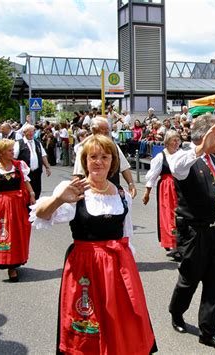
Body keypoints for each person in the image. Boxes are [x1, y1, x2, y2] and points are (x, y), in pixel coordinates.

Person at [31, 135, 156, 354]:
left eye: (104, 157)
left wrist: (129, 268)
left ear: (112, 162)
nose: (98, 162)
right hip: (84, 267)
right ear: (85, 161)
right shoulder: (74, 191)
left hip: (118, 265)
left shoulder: (122, 194)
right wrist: (60, 199)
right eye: (93, 157)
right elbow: (40, 215)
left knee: (122, 318)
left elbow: (127, 234)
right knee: (87, 321)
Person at [167, 114, 215, 352]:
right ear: (203, 137)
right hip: (195, 233)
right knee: (189, 280)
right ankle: (176, 311)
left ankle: (208, 332)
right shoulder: (186, 158)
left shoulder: (213, 159)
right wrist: (199, 149)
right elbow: (176, 167)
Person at [0, 139, 35, 282]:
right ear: (0, 153)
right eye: (10, 150)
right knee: (4, 232)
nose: (13, 152)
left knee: (19, 233)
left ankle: (15, 262)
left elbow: (25, 181)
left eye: (13, 149)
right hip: (2, 205)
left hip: (18, 204)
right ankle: (9, 264)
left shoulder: (19, 165)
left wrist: (31, 194)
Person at [73, 117, 137, 198]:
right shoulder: (84, 148)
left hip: (113, 192)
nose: (107, 131)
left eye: (108, 129)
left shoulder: (113, 146)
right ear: (94, 130)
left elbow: (124, 167)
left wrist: (131, 184)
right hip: (92, 194)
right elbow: (78, 174)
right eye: (104, 129)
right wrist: (75, 192)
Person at [143, 131, 181, 260]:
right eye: (173, 140)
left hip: (180, 186)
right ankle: (174, 245)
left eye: (178, 140)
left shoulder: (181, 155)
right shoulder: (161, 157)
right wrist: (147, 193)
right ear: (167, 141)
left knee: (181, 215)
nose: (176, 142)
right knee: (170, 216)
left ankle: (179, 244)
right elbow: (152, 176)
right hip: (167, 188)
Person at [14, 124, 51, 200]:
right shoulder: (19, 143)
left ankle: (35, 207)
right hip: (25, 173)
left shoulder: (37, 142)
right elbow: (14, 158)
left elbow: (43, 155)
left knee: (37, 190)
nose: (31, 133)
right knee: (27, 192)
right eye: (29, 132)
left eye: (32, 131)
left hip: (37, 172)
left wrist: (47, 167)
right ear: (24, 133)